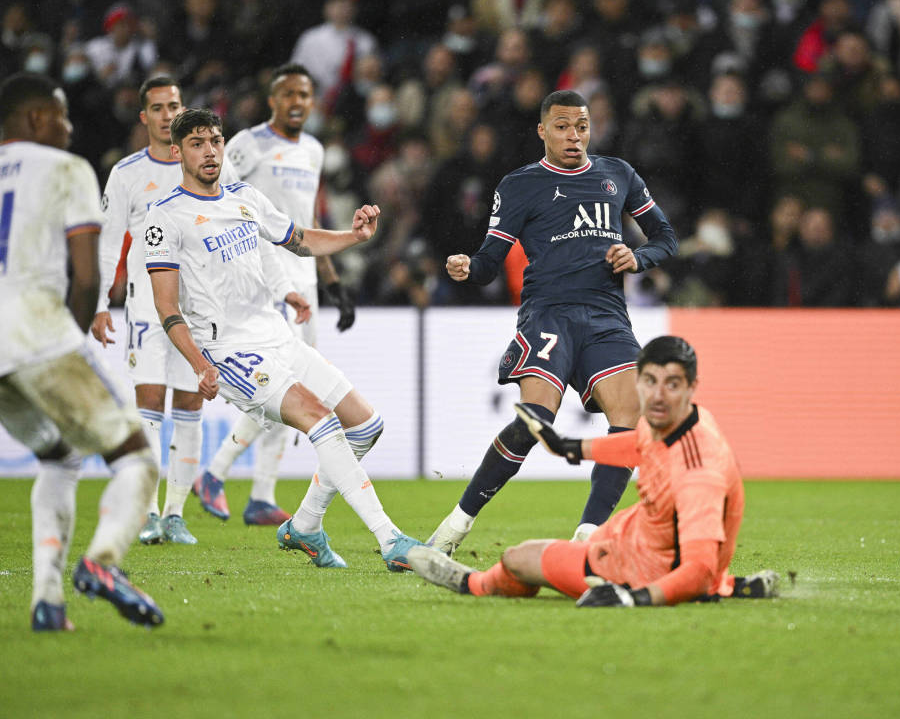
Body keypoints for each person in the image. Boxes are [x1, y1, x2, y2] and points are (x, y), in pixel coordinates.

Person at [144, 107, 421, 570]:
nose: (209, 150)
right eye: (197, 143)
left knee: (367, 425)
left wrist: (354, 237)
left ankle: (306, 525)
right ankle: (390, 540)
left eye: (214, 140)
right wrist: (198, 364)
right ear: (177, 152)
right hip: (230, 352)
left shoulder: (244, 197)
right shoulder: (166, 217)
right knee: (321, 420)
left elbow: (301, 240)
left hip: (278, 336)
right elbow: (167, 307)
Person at [427, 89, 678, 555]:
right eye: (562, 127)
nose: (573, 136)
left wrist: (637, 257)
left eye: (581, 126)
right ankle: (454, 526)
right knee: (534, 421)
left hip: (606, 316)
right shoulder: (520, 184)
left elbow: (665, 237)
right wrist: (468, 268)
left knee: (631, 419)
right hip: (548, 314)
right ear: (542, 131)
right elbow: (489, 261)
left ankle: (588, 537)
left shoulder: (617, 174)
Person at [408, 336, 777, 606]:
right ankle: (727, 585)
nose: (659, 395)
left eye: (673, 384)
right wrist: (571, 447)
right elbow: (636, 443)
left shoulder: (699, 471)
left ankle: (471, 583)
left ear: (692, 387)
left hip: (638, 568)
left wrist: (634, 599)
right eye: (650, 382)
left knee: (519, 558)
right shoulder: (681, 419)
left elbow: (697, 567)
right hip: (637, 535)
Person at [0, 72, 162, 630]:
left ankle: (47, 602)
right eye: (63, 117)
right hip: (36, 333)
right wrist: (70, 340)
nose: (70, 129)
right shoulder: (66, 168)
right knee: (137, 458)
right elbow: (87, 275)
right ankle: (102, 563)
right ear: (38, 119)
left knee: (60, 454)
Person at [192, 63, 357, 527]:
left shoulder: (314, 150)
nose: (298, 102)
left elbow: (307, 222)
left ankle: (261, 494)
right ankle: (216, 471)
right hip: (263, 276)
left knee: (295, 386)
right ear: (273, 100)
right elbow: (216, 196)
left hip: (304, 277)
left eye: (305, 94)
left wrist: (334, 283)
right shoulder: (247, 144)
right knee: (282, 382)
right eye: (289, 94)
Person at [92, 74, 235, 546]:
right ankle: (150, 512)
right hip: (146, 308)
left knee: (191, 402)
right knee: (150, 402)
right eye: (157, 107)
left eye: (174, 105)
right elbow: (109, 243)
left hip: (198, 311)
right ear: (144, 116)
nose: (167, 114)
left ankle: (175, 513)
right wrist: (99, 303)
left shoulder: (209, 164)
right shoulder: (127, 173)